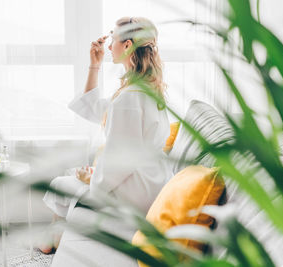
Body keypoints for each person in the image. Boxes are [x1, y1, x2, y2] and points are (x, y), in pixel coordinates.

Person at [40, 17, 172, 254]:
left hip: (138, 192)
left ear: (128, 45)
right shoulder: (145, 88)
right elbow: (95, 109)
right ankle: (54, 240)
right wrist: (95, 65)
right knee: (67, 181)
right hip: (150, 181)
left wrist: (93, 180)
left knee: (61, 184)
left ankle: (51, 242)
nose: (109, 46)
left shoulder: (129, 98)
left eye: (113, 40)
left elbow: (119, 162)